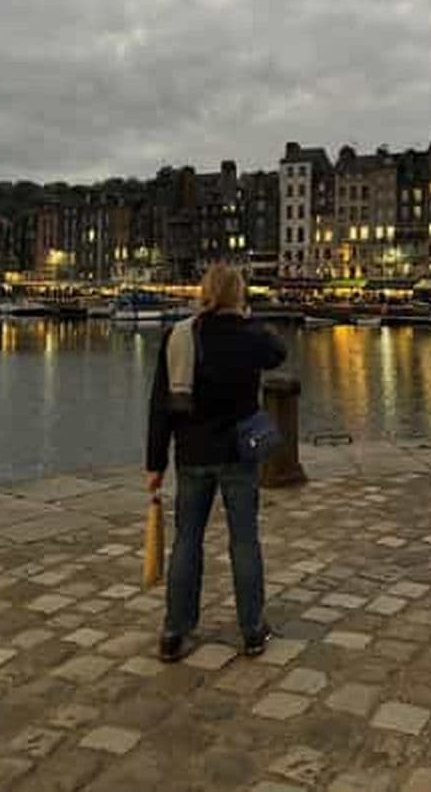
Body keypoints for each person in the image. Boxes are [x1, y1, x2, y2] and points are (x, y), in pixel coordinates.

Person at [145, 262, 287, 662]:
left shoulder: (179, 336)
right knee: (244, 540)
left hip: (191, 453)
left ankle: (175, 630)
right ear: (238, 295)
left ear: (205, 292)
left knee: (187, 540)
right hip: (238, 454)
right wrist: (248, 319)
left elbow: (160, 405)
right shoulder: (249, 334)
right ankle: (252, 628)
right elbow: (278, 352)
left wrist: (155, 462)